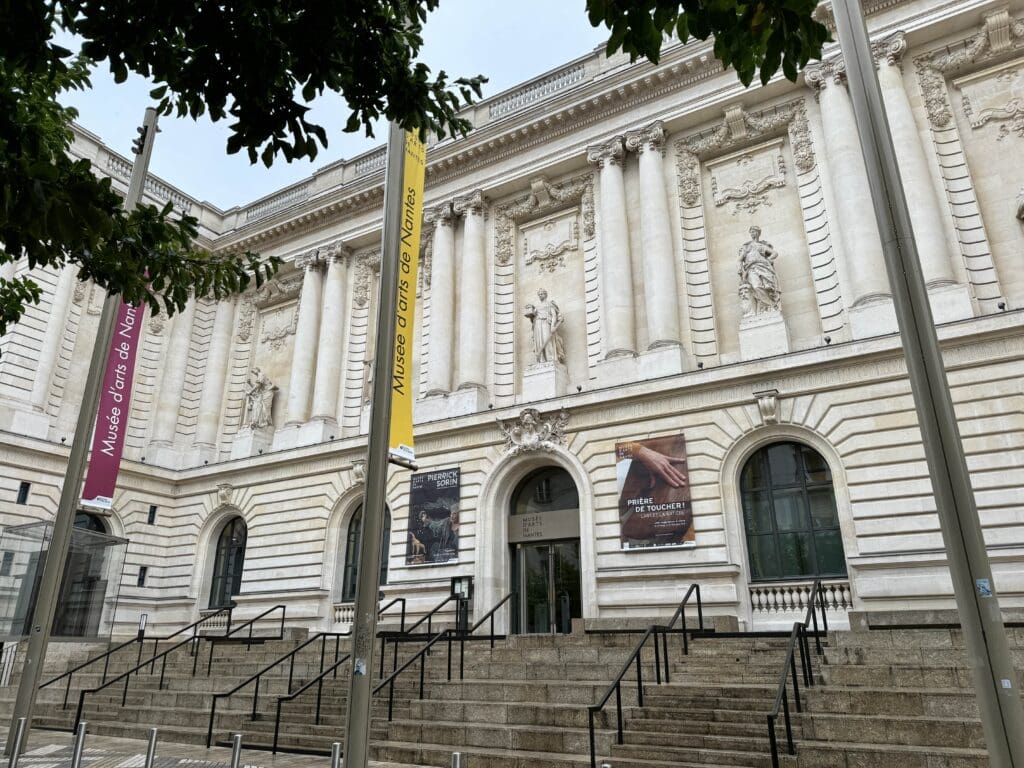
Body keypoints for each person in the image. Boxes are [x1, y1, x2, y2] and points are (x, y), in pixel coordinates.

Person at [737, 226, 781, 316]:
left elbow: (775, 253)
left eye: (754, 232)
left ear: (758, 233)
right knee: (756, 286)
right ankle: (772, 304)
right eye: (751, 232)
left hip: (763, 267)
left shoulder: (762, 246)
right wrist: (740, 268)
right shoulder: (747, 246)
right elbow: (740, 259)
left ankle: (768, 307)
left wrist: (768, 260)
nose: (752, 233)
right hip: (751, 269)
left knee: (767, 287)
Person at [524, 288, 565, 363]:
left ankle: (551, 358)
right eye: (539, 294)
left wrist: (552, 326)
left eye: (541, 294)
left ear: (545, 295)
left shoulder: (550, 304)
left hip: (546, 323)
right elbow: (534, 315)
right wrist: (531, 310)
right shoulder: (537, 306)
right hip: (537, 324)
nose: (540, 295)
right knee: (539, 341)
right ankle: (541, 359)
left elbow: (554, 315)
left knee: (547, 340)